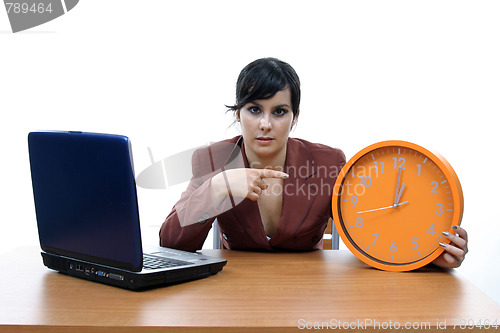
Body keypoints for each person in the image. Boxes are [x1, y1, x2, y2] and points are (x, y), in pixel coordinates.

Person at [159, 57, 468, 269]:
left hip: (311, 294)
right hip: (236, 293)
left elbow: (376, 223)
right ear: (237, 113)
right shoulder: (212, 160)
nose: (265, 124)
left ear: (294, 119)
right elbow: (171, 243)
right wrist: (216, 188)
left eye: (279, 111)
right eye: (254, 109)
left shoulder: (328, 162)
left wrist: (430, 255)